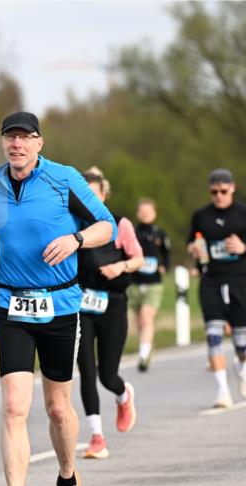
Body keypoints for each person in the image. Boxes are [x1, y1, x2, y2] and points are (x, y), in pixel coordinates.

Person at [0, 111, 116, 486]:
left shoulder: (64, 178)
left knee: (57, 408)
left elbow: (106, 226)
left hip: (59, 305)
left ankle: (68, 482)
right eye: (9, 138)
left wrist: (75, 239)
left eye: (24, 138)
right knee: (15, 405)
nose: (16, 145)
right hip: (12, 303)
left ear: (39, 142)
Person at [187, 169, 246, 408]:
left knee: (241, 340)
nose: (219, 196)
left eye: (223, 191)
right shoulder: (201, 215)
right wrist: (194, 249)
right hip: (211, 281)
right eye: (214, 191)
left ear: (232, 188)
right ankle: (223, 391)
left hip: (240, 281)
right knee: (213, 335)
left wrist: (245, 247)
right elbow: (193, 240)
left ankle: (242, 367)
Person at [76, 168, 143, 461]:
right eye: (84, 196)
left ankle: (123, 394)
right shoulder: (73, 225)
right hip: (81, 305)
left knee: (106, 375)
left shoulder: (120, 224)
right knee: (86, 371)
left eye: (95, 194)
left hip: (113, 303)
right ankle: (96, 437)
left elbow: (138, 258)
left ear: (104, 195)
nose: (90, 201)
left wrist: (121, 267)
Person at [128, 197, 171, 372]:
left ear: (154, 213)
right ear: (138, 213)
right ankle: (147, 347)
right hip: (135, 283)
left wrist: (164, 267)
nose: (145, 215)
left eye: (149, 212)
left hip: (153, 283)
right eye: (142, 212)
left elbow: (167, 254)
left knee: (147, 317)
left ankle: (143, 355)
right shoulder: (132, 233)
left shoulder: (160, 233)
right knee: (140, 322)